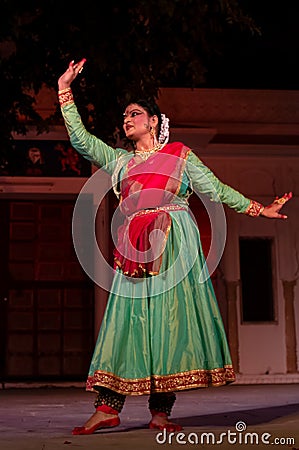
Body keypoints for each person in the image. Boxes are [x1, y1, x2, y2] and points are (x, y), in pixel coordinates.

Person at [58, 58, 292, 435]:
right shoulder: (119, 161)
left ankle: (160, 412)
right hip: (135, 247)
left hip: (173, 241)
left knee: (169, 326)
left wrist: (259, 209)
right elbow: (81, 141)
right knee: (124, 323)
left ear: (153, 121)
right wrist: (64, 89)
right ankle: (107, 407)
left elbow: (214, 189)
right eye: (124, 116)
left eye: (134, 113)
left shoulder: (180, 155)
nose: (126, 119)